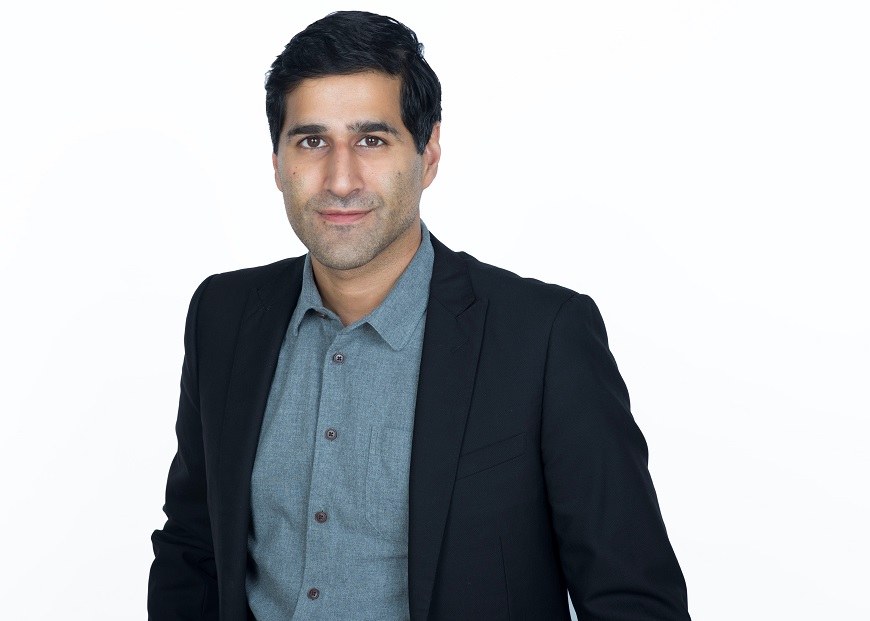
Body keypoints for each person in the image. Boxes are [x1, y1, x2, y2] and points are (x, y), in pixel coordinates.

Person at [148, 10, 690, 620]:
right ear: (276, 161)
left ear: (428, 153)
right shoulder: (223, 317)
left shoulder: (543, 338)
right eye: (312, 141)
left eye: (372, 140)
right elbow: (193, 547)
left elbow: (632, 598)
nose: (341, 180)